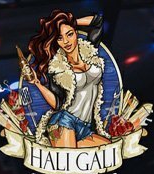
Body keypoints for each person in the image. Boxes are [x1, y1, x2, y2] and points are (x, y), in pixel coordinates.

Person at [23, 10, 111, 148]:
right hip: (63, 121)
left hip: (85, 128)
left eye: (69, 34)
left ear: (76, 32)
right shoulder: (57, 69)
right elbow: (58, 104)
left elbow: (98, 21)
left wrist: (72, 22)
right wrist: (37, 83)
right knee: (67, 160)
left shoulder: (90, 50)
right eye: (60, 38)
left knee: (108, 148)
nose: (66, 41)